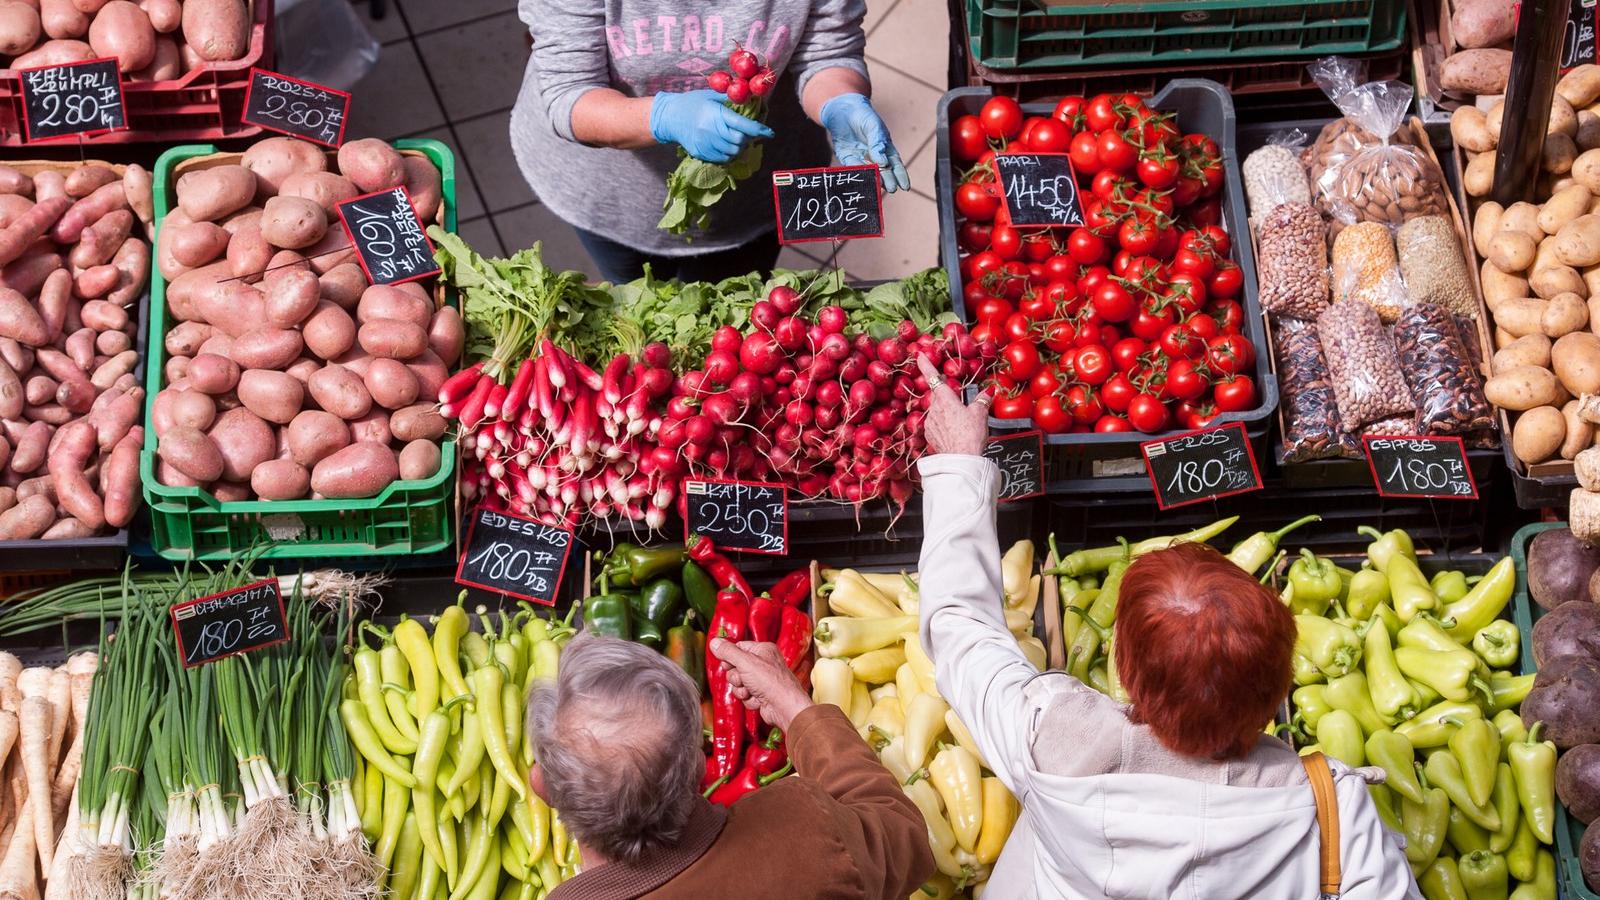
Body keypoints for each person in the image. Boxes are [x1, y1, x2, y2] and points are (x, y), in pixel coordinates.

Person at [910, 355, 1421, 899]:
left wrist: (962, 465)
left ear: (1124, 670)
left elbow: (959, 625)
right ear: (1280, 686)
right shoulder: (1332, 811)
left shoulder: (1050, 738)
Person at [511, 0, 910, 285]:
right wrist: (662, 117)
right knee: (637, 294)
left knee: (731, 295)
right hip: (610, 190)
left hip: (752, 191)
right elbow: (570, 93)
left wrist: (839, 99)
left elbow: (829, 49)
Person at [526, 632, 934, 899]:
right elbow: (906, 836)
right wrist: (795, 709)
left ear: (541, 786)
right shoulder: (802, 830)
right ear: (700, 768)